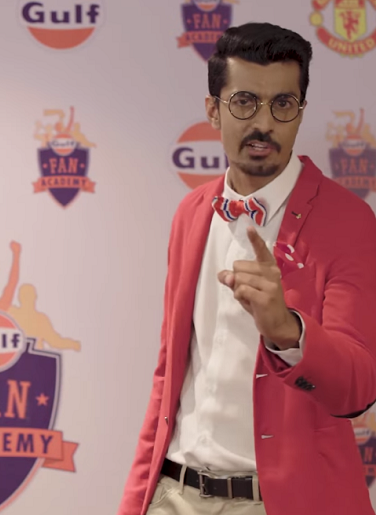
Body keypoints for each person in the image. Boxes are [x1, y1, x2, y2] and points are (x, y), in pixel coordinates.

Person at [118, 23, 376, 515]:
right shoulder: (191, 212)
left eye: (283, 104)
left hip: (278, 502)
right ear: (213, 109)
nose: (264, 122)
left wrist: (288, 332)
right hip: (173, 493)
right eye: (244, 102)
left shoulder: (349, 220)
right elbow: (169, 375)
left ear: (301, 111)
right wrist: (136, 502)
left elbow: (359, 388)